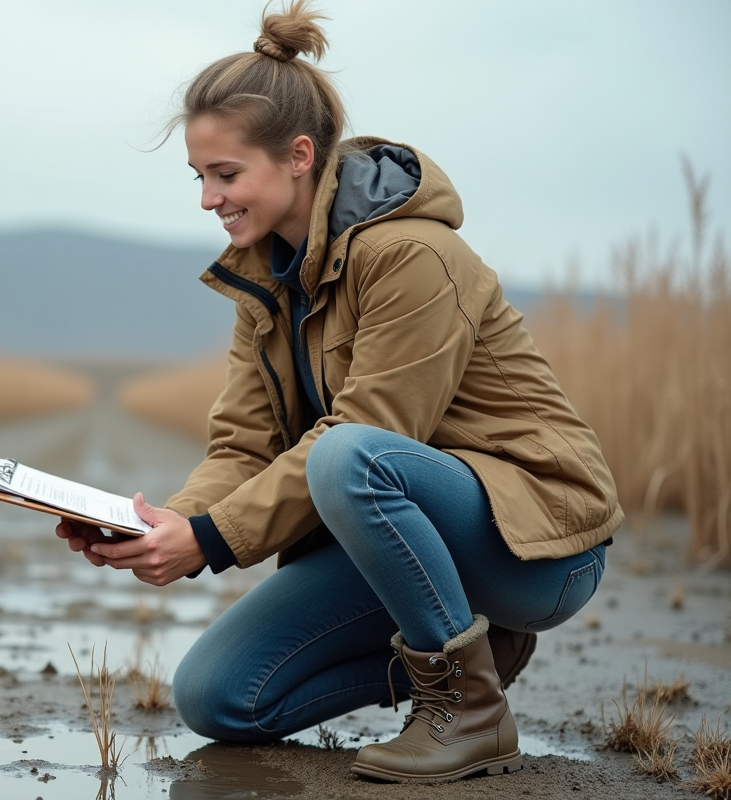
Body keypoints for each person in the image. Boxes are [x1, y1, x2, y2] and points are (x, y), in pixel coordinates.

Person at [56, 0, 622, 783]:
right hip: (406, 536)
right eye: (199, 176)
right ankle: (478, 652)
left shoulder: (412, 254)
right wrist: (166, 528)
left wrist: (215, 537)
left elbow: (370, 434)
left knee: (349, 453)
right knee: (217, 697)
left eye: (226, 175)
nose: (207, 199)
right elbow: (243, 447)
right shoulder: (264, 282)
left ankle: (466, 710)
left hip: (535, 548)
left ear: (296, 156)